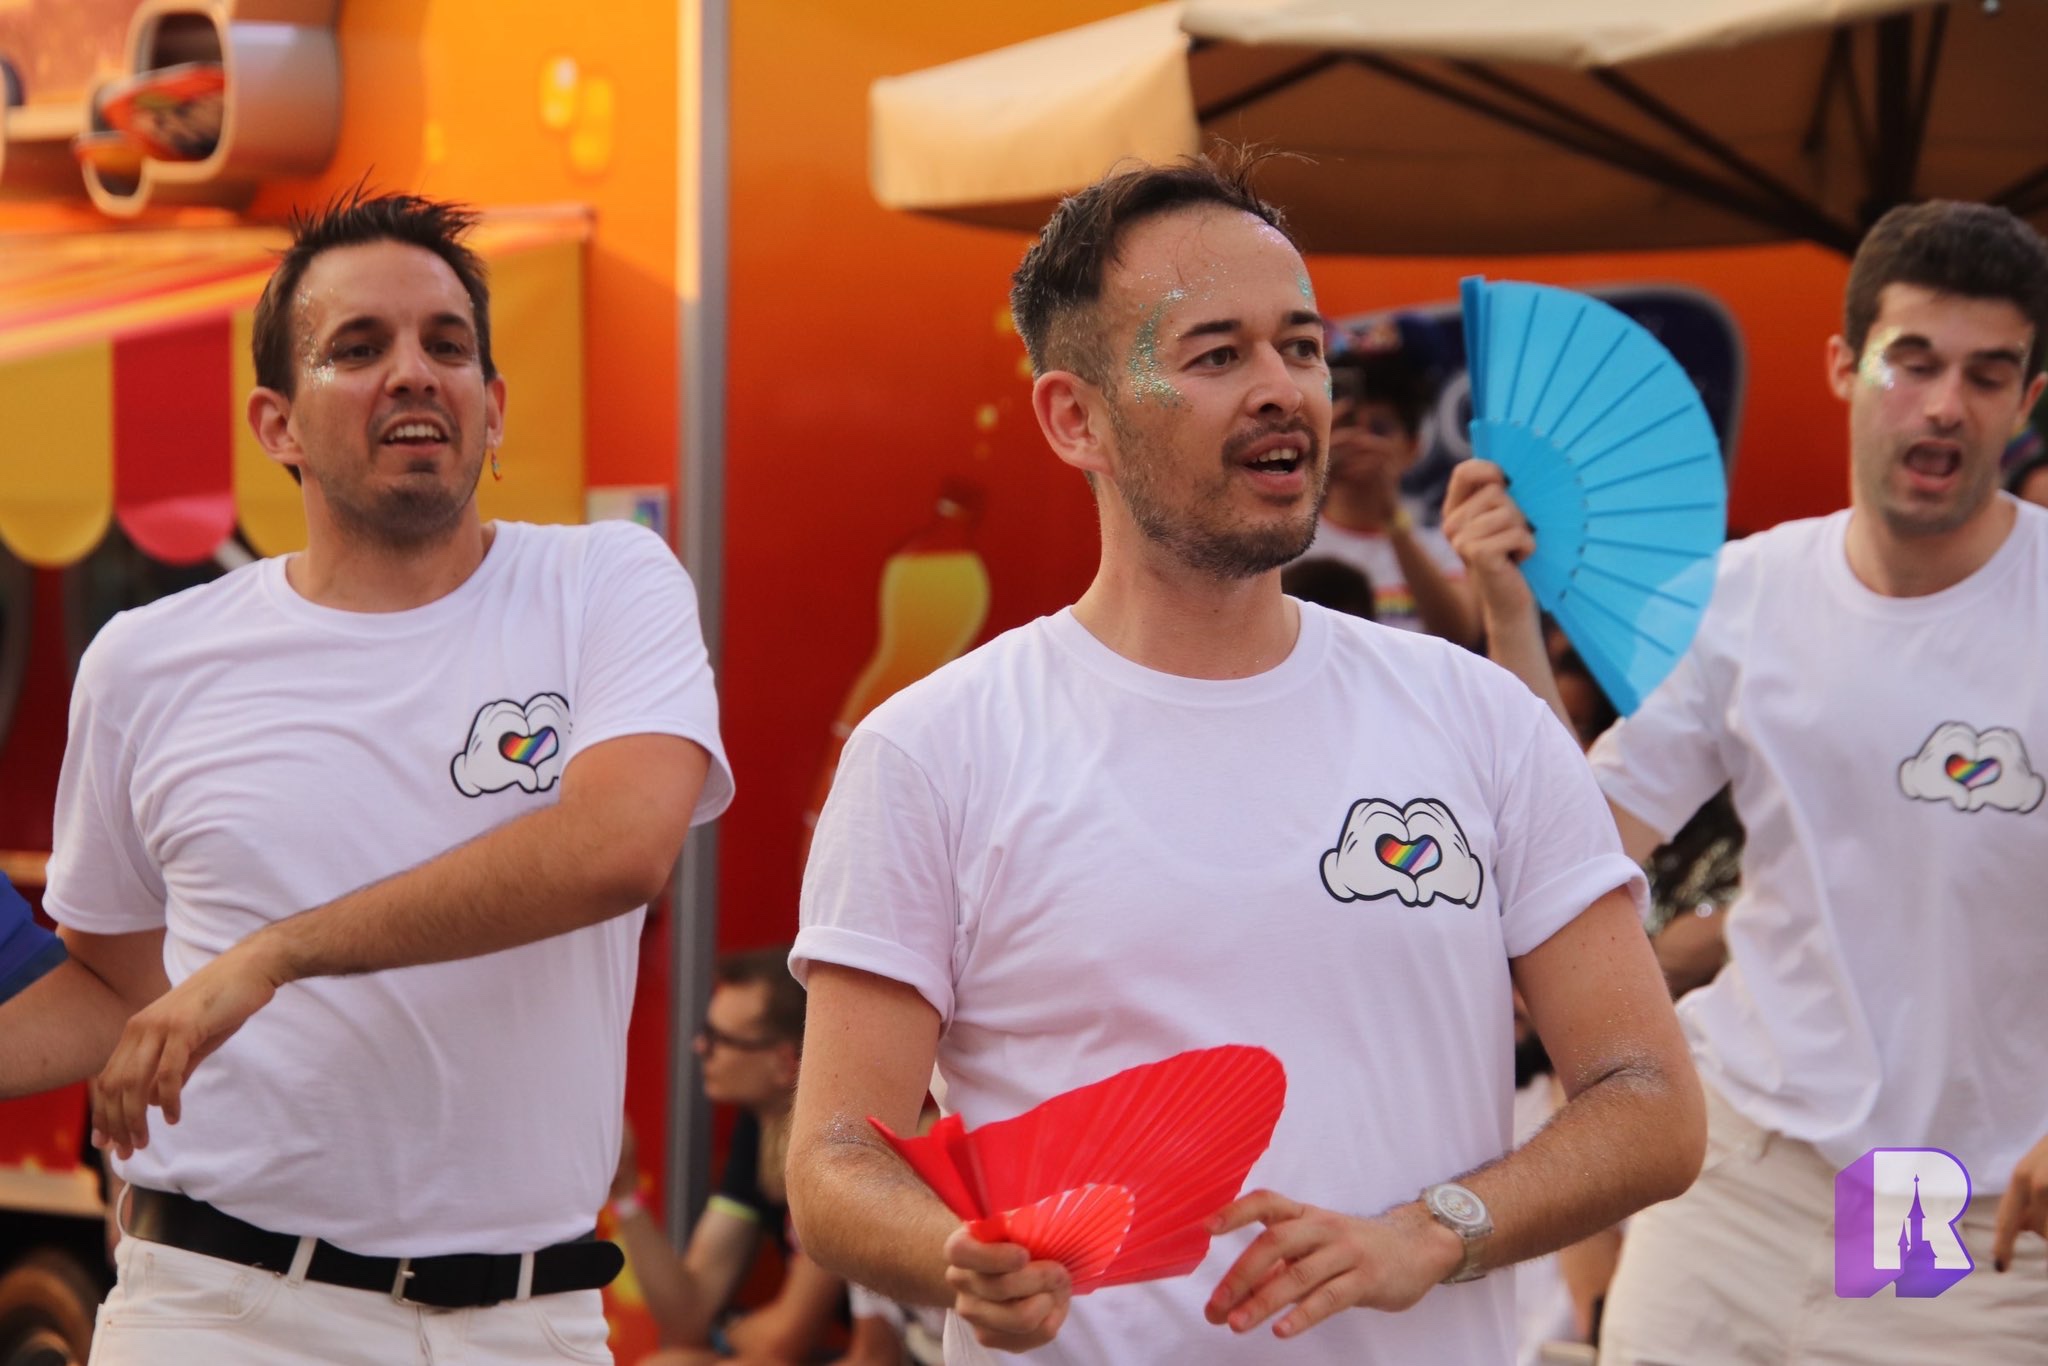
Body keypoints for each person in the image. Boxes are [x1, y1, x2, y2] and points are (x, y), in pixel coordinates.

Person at [784, 153, 1703, 1366]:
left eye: (1301, 347)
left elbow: (1649, 1099)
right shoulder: (933, 747)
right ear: (1074, 418)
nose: (1283, 391)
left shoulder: (1479, 717)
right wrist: (954, 1253)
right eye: (1216, 355)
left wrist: (1434, 1231)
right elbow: (834, 1159)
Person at [34, 191, 732, 1365]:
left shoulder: (607, 583)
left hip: (530, 1325)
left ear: (493, 407)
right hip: (222, 1308)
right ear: (277, 425)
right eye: (358, 348)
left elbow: (619, 846)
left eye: (445, 345)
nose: (413, 372)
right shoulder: (145, 662)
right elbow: (114, 990)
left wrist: (272, 954)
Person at [1444, 198, 2048, 1363]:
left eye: (1985, 375)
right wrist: (1508, 617)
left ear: (2024, 401)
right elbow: (1575, 842)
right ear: (1842, 366)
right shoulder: (1742, 594)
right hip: (1740, 1175)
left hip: (1948, 1208)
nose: (1942, 404)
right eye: (1911, 361)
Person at [610, 948, 847, 1365]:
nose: (699, 1046)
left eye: (720, 1039)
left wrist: (723, 1338)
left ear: (785, 1063)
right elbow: (688, 1317)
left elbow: (781, 1342)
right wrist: (625, 1189)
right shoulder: (759, 1127)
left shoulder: (837, 1141)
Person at [1296, 344, 1480, 644]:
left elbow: (1460, 633)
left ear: (1413, 447)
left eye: (1379, 429)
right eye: (1346, 425)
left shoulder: (1442, 547)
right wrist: (1313, 474)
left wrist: (1392, 518)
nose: (1361, 441)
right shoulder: (1289, 542)